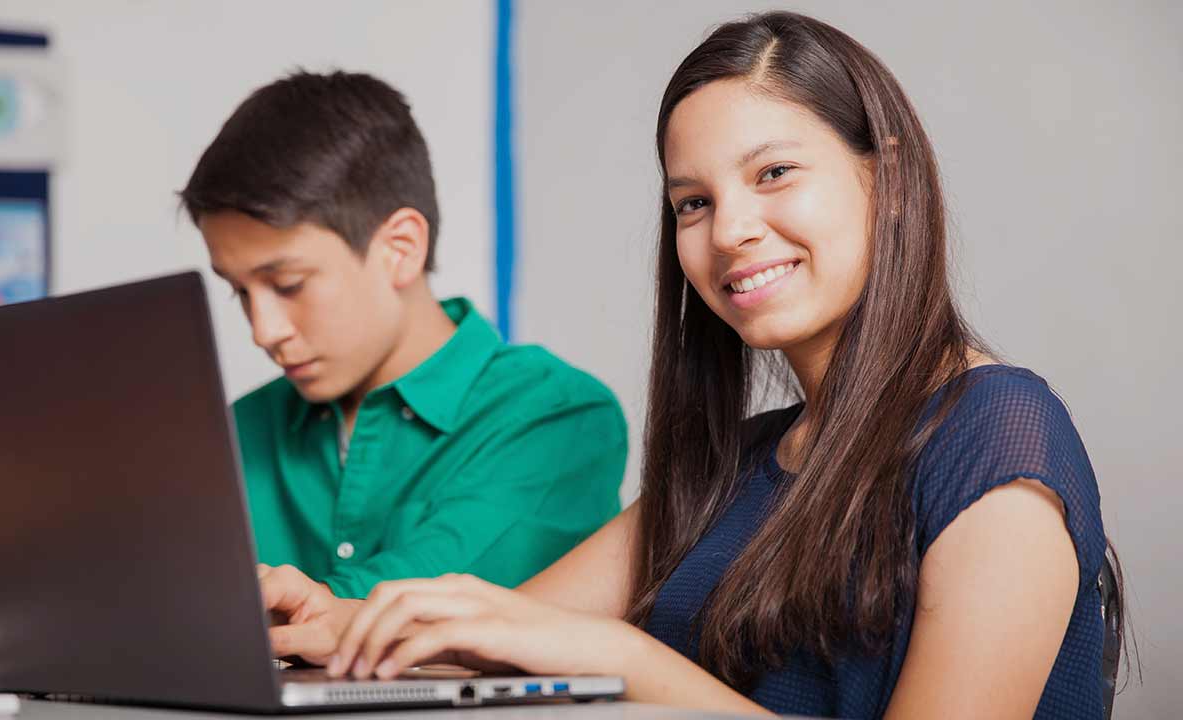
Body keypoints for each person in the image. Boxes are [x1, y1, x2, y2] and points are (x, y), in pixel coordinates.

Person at [256, 13, 1124, 718]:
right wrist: (338, 628)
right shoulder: (740, 461)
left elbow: (583, 644)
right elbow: (504, 628)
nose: (731, 229)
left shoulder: (999, 440)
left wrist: (623, 658)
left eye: (775, 172)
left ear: (887, 181)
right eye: (693, 203)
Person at [0, 70, 627, 648]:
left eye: (286, 285)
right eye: (238, 293)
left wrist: (37, 616)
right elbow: (141, 583)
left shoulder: (560, 418)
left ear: (399, 248)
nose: (262, 330)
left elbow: (394, 609)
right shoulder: (235, 432)